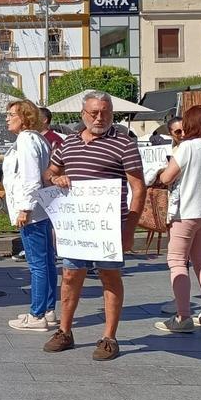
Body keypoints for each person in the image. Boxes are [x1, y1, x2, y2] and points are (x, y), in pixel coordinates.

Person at [43, 91, 146, 361]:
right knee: (69, 276)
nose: (100, 117)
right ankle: (64, 331)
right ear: (83, 114)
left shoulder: (124, 144)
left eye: (105, 112)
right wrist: (57, 179)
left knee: (109, 277)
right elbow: (49, 174)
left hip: (110, 227)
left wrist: (130, 227)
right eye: (94, 112)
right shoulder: (68, 144)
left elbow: (138, 188)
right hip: (76, 227)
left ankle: (109, 337)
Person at [156, 104, 201, 332]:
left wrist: (159, 171)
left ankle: (182, 317)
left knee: (177, 262)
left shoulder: (187, 147)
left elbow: (167, 177)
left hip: (186, 212)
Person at [3, 100, 57, 331]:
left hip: (31, 211)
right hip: (41, 209)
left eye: (11, 114)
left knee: (37, 264)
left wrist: (24, 208)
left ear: (24, 117)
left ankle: (37, 314)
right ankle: (48, 309)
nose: (6, 118)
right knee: (46, 262)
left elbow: (30, 177)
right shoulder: (38, 139)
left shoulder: (25, 140)